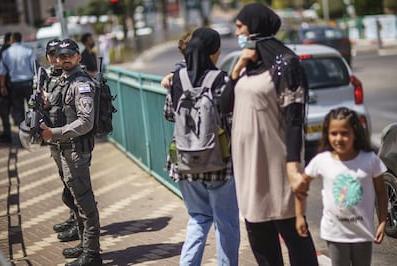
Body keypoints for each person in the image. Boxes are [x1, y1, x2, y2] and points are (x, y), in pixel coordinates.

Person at [220, 3, 318, 265]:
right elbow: (224, 105)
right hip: (249, 166)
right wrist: (237, 68)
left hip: (278, 164)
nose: (237, 32)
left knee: (294, 232)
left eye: (240, 27)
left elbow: (294, 120)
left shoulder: (286, 64)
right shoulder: (246, 68)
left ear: (254, 26)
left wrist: (292, 166)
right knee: (259, 234)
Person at [163, 27, 240, 265]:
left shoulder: (177, 80)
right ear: (213, 52)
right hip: (218, 161)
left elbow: (168, 114)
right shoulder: (221, 80)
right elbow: (231, 119)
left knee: (198, 217)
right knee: (225, 223)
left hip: (185, 161)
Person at [295, 107, 388, 266]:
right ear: (327, 134)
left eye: (345, 133)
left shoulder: (370, 160)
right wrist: (299, 216)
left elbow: (381, 191)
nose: (339, 138)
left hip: (362, 233)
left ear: (355, 134)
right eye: (334, 133)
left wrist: (382, 221)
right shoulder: (322, 160)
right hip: (334, 234)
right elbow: (301, 187)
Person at [40, 39, 101, 266]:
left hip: (76, 151)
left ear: (78, 57)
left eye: (69, 55)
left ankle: (93, 254)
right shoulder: (66, 80)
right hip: (65, 149)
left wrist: (54, 133)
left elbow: (86, 122)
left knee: (85, 203)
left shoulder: (82, 84)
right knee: (76, 198)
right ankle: (86, 246)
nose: (64, 59)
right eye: (61, 55)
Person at [43, 38, 80, 243]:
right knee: (66, 180)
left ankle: (80, 225)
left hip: (69, 138)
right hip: (56, 137)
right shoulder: (51, 77)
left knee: (74, 185)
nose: (57, 59)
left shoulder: (70, 78)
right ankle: (74, 218)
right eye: (54, 55)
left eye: (61, 54)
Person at [0, 32, 36, 127]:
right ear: (21, 39)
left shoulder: (6, 53)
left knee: (18, 110)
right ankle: (35, 129)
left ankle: (22, 131)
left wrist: (3, 86)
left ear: (12, 40)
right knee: (33, 108)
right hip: (29, 84)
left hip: (15, 85)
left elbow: (3, 72)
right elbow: (34, 68)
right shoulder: (28, 50)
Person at [0, 32, 12, 143]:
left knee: (4, 112)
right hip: (7, 86)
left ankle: (7, 134)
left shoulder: (2, 52)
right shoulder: (4, 52)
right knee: (5, 112)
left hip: (3, 87)